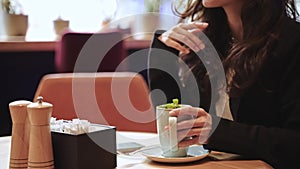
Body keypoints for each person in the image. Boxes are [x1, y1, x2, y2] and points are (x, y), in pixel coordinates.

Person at [148, 0, 300, 168]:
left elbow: (294, 143)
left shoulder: (292, 41)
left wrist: (216, 132)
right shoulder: (207, 37)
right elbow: (176, 123)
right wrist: (163, 50)